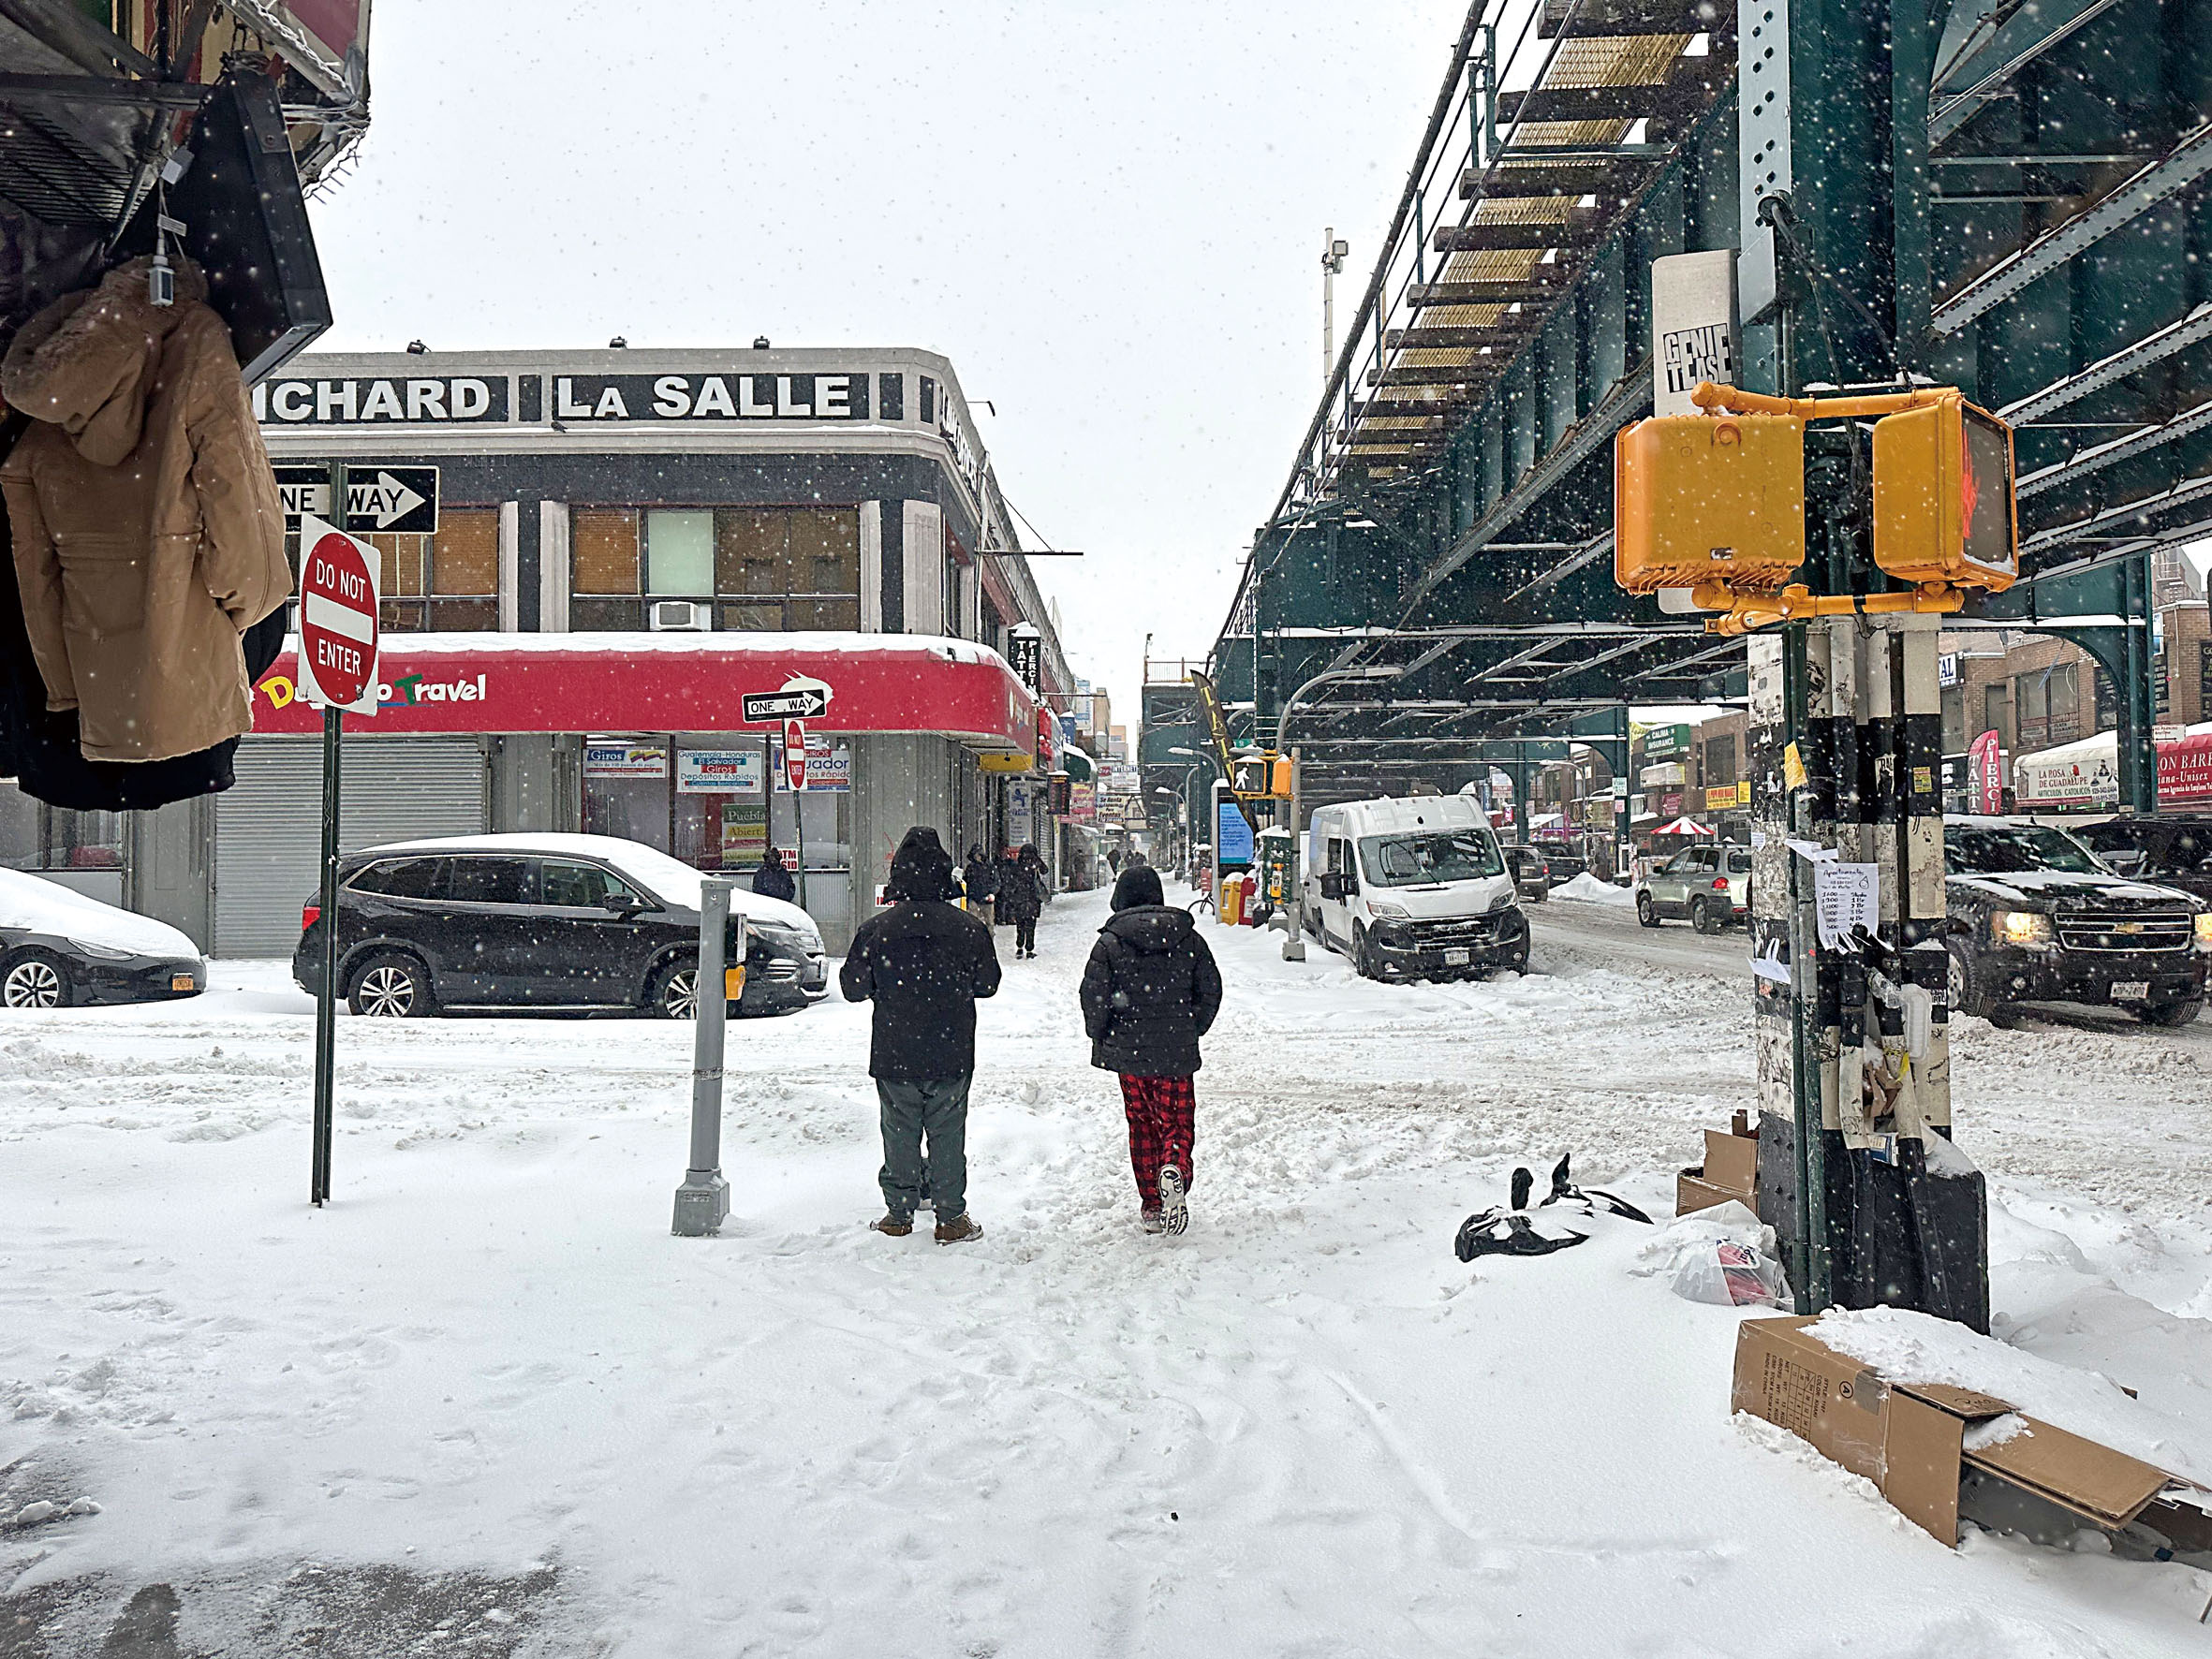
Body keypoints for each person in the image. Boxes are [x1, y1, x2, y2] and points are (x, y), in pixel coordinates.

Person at [840, 827, 1000, 1244]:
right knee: (948, 1131)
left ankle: (899, 1213)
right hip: (951, 1048)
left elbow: (853, 988)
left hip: (895, 1048)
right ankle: (950, 1217)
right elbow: (988, 984)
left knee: (899, 1129)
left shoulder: (877, 930)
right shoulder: (968, 928)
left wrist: (887, 986)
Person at [1079, 864, 1222, 1236]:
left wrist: (1102, 1034)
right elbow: (1210, 989)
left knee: (1141, 1124)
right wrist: (1192, 1028)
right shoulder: (1188, 938)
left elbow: (1093, 996)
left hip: (1129, 1055)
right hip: (1176, 1053)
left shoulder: (1109, 943)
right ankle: (1174, 1166)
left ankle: (1152, 1204)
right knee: (1176, 1121)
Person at [997, 844, 1045, 959]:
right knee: (1030, 925)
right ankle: (1029, 949)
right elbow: (1045, 870)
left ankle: (1019, 947)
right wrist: (1037, 860)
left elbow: (1011, 883)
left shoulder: (1017, 865)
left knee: (1020, 925)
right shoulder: (1034, 865)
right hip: (1032, 899)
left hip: (1019, 900)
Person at [963, 842, 997, 925]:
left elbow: (996, 882)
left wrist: (992, 892)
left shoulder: (989, 867)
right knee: (977, 922)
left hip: (984, 897)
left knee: (987, 922)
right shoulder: (971, 868)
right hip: (976, 898)